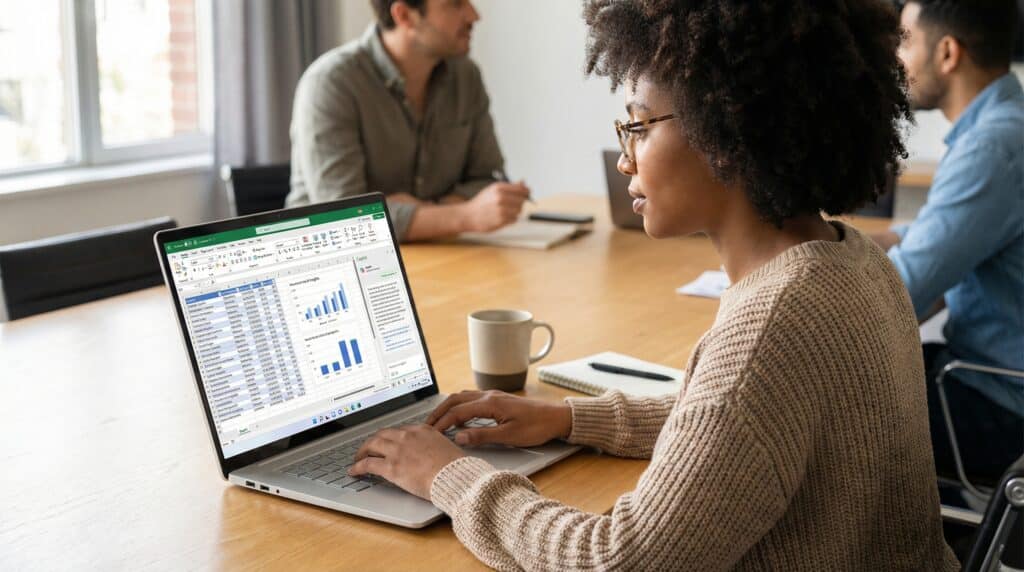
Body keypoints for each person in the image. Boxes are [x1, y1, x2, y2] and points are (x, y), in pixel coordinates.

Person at [348, 0, 959, 568]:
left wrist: (449, 477)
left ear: (728, 130)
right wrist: (567, 419)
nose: (625, 158)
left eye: (638, 124)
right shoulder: (854, 263)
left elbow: (619, 558)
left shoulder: (769, 331)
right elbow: (740, 425)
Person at [872, 0, 1023, 484]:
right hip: (983, 377)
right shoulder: (1006, 126)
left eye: (906, 41)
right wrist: (831, 246)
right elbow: (932, 235)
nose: (898, 59)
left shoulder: (993, 148)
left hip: (997, 408)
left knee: (820, 411)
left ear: (948, 53)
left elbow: (903, 294)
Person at [286, 0, 531, 242]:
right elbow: (345, 218)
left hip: (443, 254)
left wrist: (421, 214)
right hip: (338, 268)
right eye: (456, 4)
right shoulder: (331, 84)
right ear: (404, 15)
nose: (474, 15)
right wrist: (464, 216)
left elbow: (488, 180)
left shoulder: (466, 76)